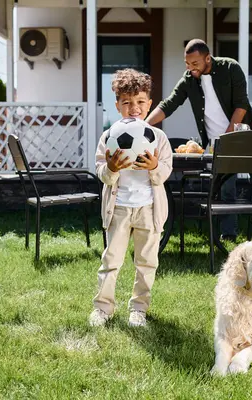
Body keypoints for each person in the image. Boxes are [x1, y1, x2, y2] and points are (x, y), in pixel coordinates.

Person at [145, 38, 252, 241]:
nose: (190, 68)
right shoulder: (189, 79)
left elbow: (241, 105)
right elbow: (169, 104)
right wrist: (144, 125)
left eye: (195, 64)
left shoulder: (230, 68)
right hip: (215, 143)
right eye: (187, 64)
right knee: (226, 187)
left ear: (207, 58)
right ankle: (229, 235)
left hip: (242, 134)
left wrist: (229, 136)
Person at [89, 69, 173, 327]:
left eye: (139, 102)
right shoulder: (109, 137)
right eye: (126, 102)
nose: (133, 108)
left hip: (149, 208)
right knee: (111, 260)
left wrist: (154, 167)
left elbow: (165, 171)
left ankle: (139, 308)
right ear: (117, 105)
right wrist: (112, 169)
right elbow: (101, 171)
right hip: (119, 209)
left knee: (147, 262)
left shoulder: (158, 138)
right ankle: (103, 308)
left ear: (149, 105)